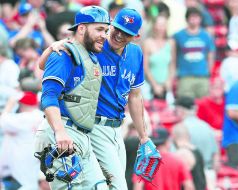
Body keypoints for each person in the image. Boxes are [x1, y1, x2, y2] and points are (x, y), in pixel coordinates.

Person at [38, 7, 154, 190]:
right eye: (117, 29)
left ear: (136, 36)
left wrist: (144, 136)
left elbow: (135, 96)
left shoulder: (135, 53)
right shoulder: (95, 46)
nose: (119, 35)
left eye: (127, 33)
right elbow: (48, 67)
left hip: (116, 129)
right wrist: (53, 47)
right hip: (92, 125)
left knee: (104, 186)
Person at [34, 6, 110, 190]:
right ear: (82, 28)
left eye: (106, 30)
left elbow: (42, 64)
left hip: (81, 135)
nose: (104, 35)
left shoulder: (89, 55)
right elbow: (49, 96)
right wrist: (59, 132)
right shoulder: (64, 54)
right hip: (62, 132)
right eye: (99, 29)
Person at [0, 91, 43, 190]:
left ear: (21, 105)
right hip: (36, 157)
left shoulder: (22, 118)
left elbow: (3, 121)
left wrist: (10, 105)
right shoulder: (42, 116)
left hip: (21, 159)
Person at [170, 7, 215, 99]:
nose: (194, 19)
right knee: (185, 107)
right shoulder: (178, 35)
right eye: (192, 17)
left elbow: (211, 55)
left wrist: (208, 72)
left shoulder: (206, 35)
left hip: (202, 77)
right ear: (187, 19)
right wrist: (174, 75)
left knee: (203, 106)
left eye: (196, 17)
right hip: (185, 77)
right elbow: (173, 56)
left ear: (200, 19)